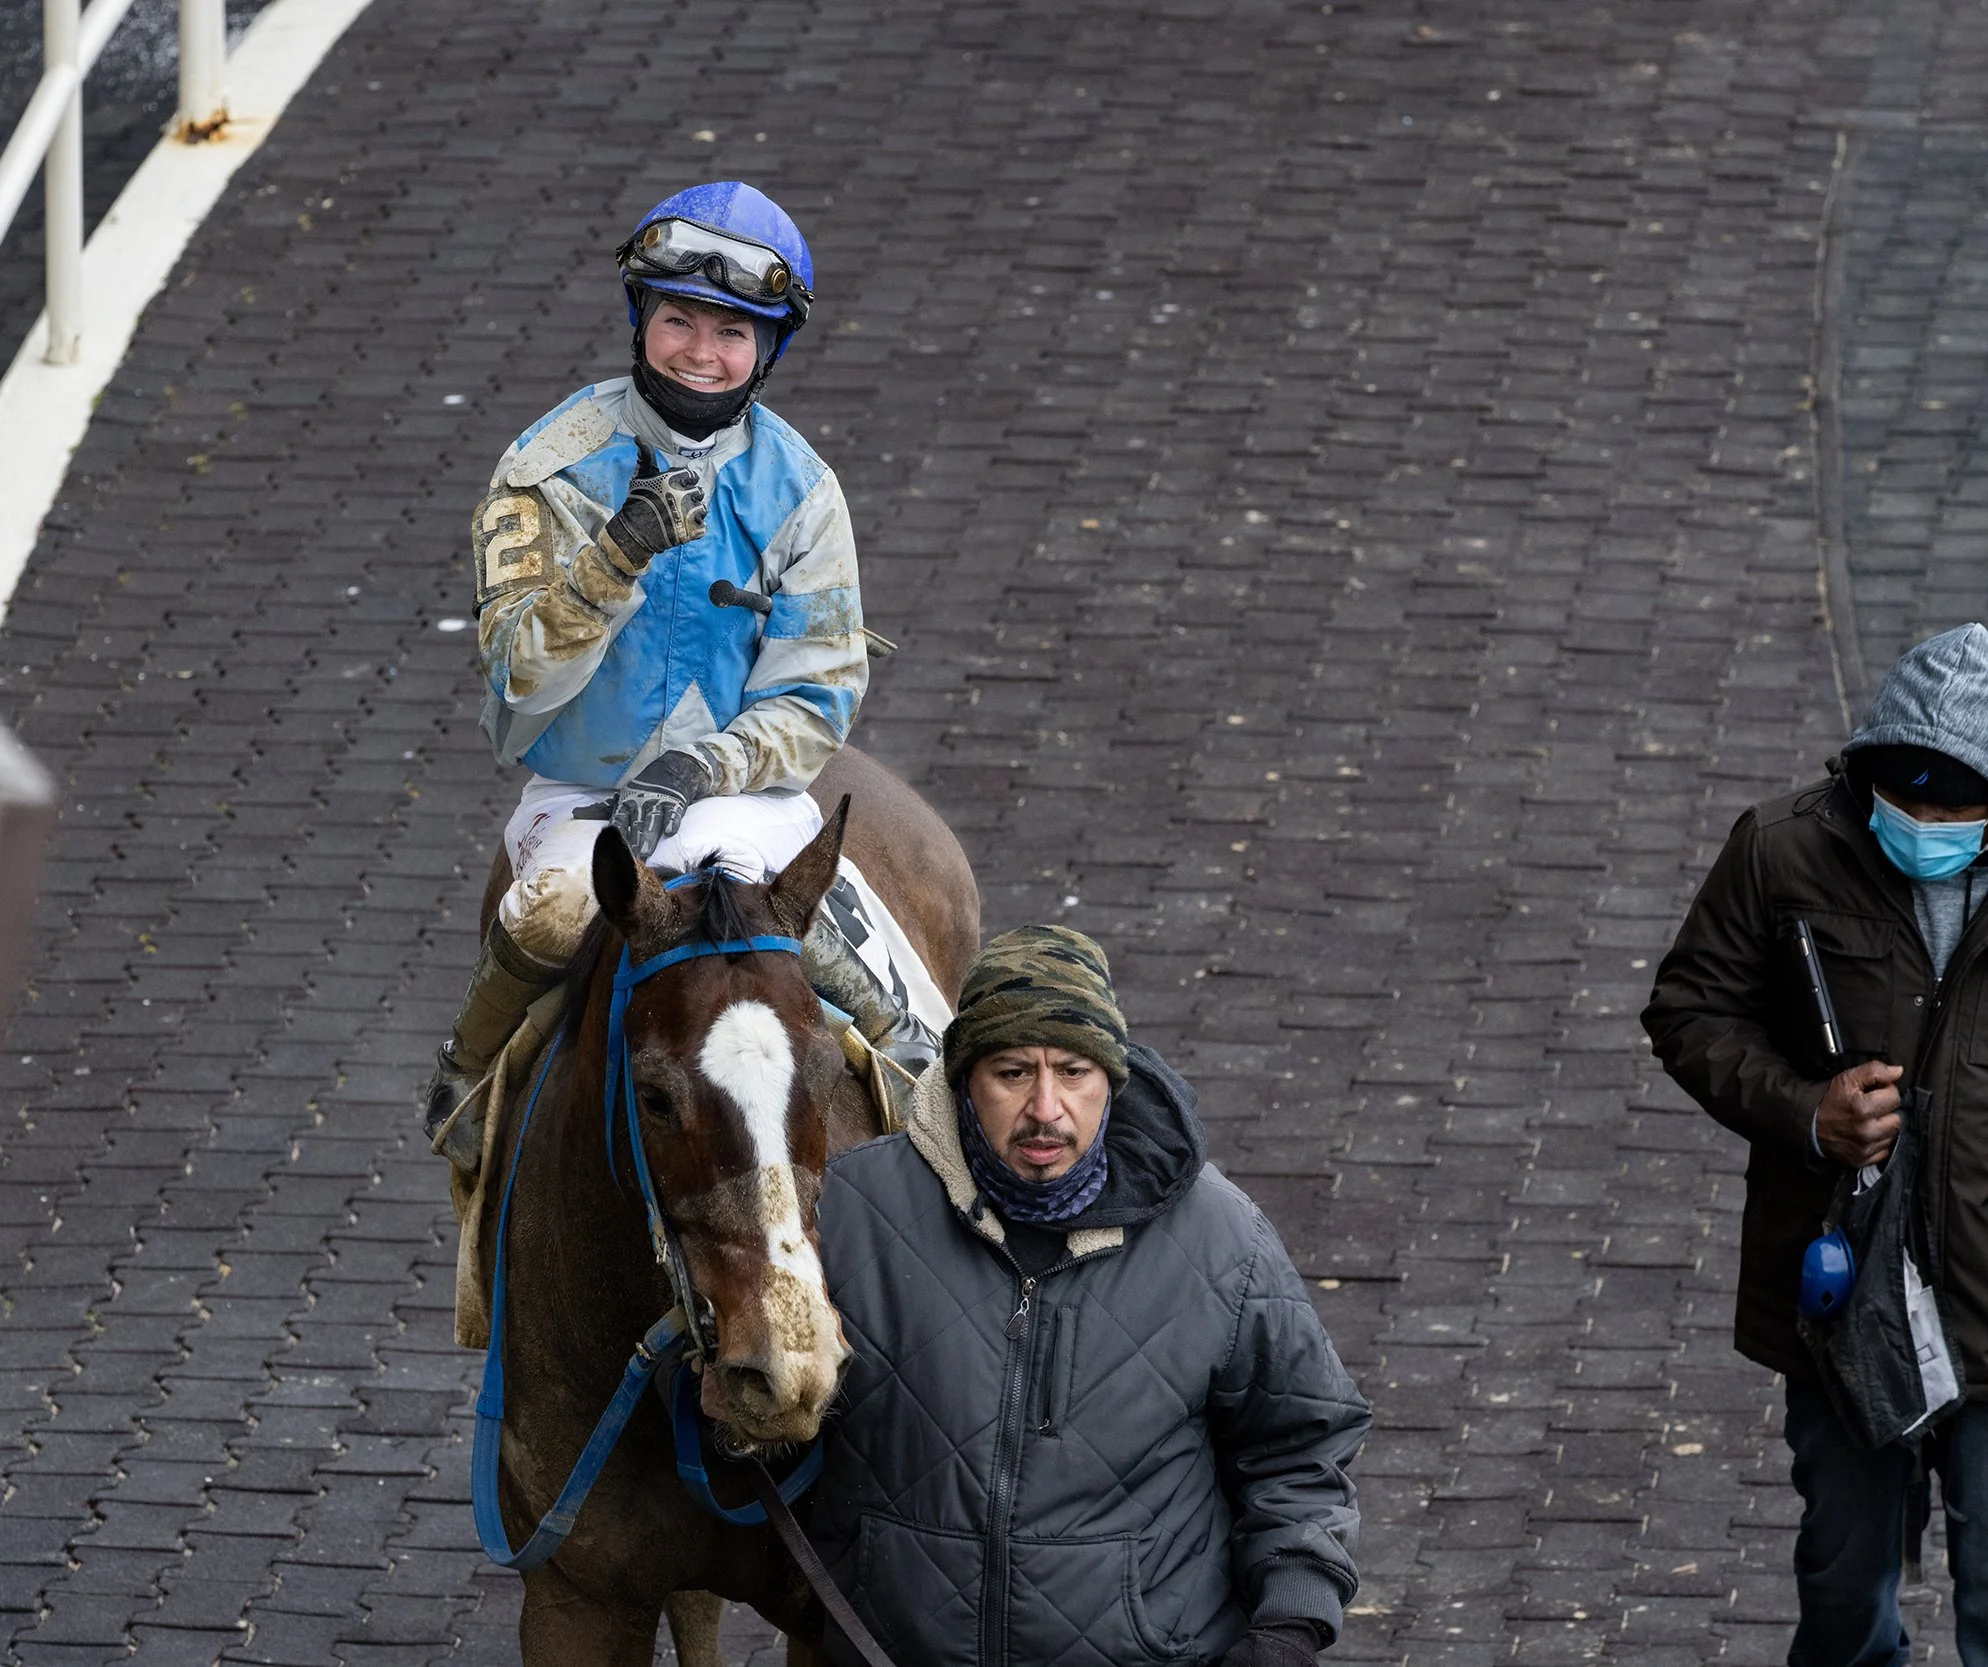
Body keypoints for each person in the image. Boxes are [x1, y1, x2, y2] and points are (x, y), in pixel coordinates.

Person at [425, 181, 934, 1137]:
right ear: (641, 319)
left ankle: (926, 1110)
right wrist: (615, 558)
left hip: (742, 798)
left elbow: (819, 699)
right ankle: (467, 1078)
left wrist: (702, 763)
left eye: (734, 332)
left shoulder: (804, 492)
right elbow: (519, 675)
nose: (703, 352)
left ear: (768, 349)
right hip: (581, 797)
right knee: (547, 915)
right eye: (680, 319)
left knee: (853, 963)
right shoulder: (546, 467)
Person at [810, 924, 1371, 1666]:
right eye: (1012, 1072)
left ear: (1112, 1077)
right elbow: (762, 1408)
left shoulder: (1222, 1240)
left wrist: (1289, 1627)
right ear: (961, 1078)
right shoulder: (849, 1210)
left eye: (1073, 1071)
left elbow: (1302, 1447)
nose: (1046, 1108)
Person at [1645, 623, 1988, 1666]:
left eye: (1955, 797)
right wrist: (1805, 1110)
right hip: (1841, 1303)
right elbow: (1689, 1010)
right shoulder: (1781, 846)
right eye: (1907, 786)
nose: (1925, 816)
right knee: (1843, 1590)